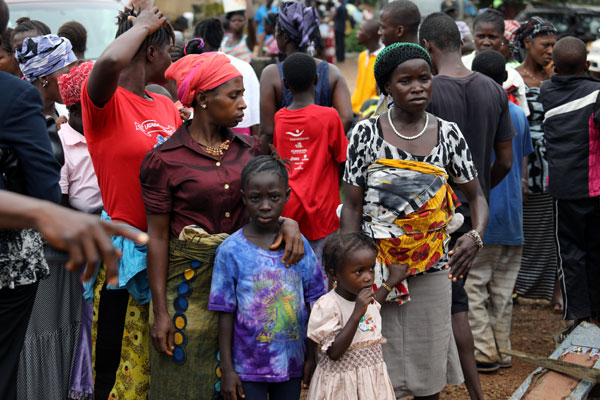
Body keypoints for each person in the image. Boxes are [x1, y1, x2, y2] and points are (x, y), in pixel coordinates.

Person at [140, 52, 305, 399]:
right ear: (202, 99)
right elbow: (157, 238)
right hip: (189, 293)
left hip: (249, 290)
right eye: (234, 96)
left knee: (246, 383)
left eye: (243, 94)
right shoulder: (164, 160)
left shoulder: (250, 150)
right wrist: (161, 313)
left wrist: (287, 223)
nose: (244, 104)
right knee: (185, 381)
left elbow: (266, 209)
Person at [341, 42, 488, 400]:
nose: (418, 86)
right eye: (405, 80)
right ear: (387, 87)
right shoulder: (366, 134)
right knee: (379, 369)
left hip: (433, 271)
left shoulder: (448, 135)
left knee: (427, 372)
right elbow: (351, 205)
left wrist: (475, 236)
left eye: (424, 78)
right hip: (376, 273)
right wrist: (350, 268)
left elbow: (477, 197)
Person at [80, 5, 179, 399]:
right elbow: (107, 61)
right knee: (114, 369)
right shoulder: (106, 103)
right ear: (151, 52)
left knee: (158, 368)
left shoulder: (164, 104)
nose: (172, 60)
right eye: (168, 49)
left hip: (166, 254)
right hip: (125, 257)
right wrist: (140, 26)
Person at [420, 12, 514, 398]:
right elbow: (505, 161)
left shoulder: (425, 91)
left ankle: (436, 385)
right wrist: (477, 195)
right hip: (476, 217)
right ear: (463, 45)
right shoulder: (494, 90)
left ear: (428, 48)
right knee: (457, 298)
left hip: (434, 214)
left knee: (445, 300)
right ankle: (473, 389)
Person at [208, 155, 325, 400]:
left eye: (273, 197)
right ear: (243, 198)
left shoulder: (298, 245)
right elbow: (225, 313)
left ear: (286, 195)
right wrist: (227, 369)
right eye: (255, 198)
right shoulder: (231, 251)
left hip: (291, 363)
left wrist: (311, 357)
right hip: (248, 368)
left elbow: (315, 303)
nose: (264, 205)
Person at [465, 50, 534, 372]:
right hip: (513, 218)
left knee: (474, 285)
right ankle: (503, 351)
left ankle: (484, 352)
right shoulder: (518, 114)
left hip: (486, 217)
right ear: (505, 80)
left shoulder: (475, 113)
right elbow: (521, 163)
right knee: (504, 291)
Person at [274, 52, 348, 284]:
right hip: (323, 208)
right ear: (317, 79)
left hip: (289, 210)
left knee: (292, 275)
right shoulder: (330, 117)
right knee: (321, 278)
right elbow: (341, 155)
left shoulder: (279, 118)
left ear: (286, 85)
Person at [541, 37, 600, 324]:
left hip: (564, 190)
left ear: (555, 66)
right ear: (587, 65)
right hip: (595, 186)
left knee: (571, 254)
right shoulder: (596, 93)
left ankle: (579, 316)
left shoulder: (546, 91)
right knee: (595, 250)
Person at [306, 232, 395, 400]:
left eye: (371, 269)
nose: (368, 277)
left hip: (371, 384)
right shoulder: (328, 305)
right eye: (359, 272)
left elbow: (376, 306)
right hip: (340, 387)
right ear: (335, 275)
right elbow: (334, 353)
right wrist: (356, 314)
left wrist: (391, 282)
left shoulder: (366, 299)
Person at [259, 1, 352, 153]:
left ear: (284, 37)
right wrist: (320, 145)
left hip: (286, 162)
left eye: (276, 32)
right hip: (324, 161)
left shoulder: (271, 74)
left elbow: (267, 132)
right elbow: (347, 117)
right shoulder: (332, 72)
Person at [512, 18, 559, 304]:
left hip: (554, 165)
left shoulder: (555, 78)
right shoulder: (512, 78)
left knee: (552, 230)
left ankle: (552, 289)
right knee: (525, 228)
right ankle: (521, 288)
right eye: (545, 44)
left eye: (554, 45)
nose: (550, 51)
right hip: (523, 162)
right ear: (527, 43)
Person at [195, 18, 261, 135]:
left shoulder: (195, 68)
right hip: (243, 134)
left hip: (205, 135)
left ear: (198, 39)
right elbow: (256, 113)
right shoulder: (244, 66)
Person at [461, 10, 529, 117]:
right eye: (481, 36)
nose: (486, 42)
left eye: (492, 37)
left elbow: (521, 114)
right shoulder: (461, 66)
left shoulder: (513, 77)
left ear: (502, 39)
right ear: (474, 36)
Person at [56, 60, 101, 213]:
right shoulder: (62, 144)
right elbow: (60, 203)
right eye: (97, 106)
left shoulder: (108, 132)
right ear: (75, 111)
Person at [15, 34, 77, 122]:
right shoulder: (21, 119)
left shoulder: (65, 111)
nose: (74, 79)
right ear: (44, 78)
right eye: (68, 72)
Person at [351, 19, 383, 115]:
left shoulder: (383, 58)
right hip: (356, 108)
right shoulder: (363, 56)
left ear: (369, 35)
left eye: (361, 30)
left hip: (370, 111)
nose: (357, 33)